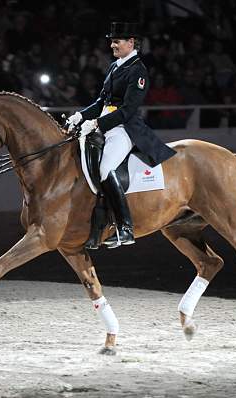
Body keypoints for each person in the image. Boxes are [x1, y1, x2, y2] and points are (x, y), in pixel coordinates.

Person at [67, 22, 176, 248]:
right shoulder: (116, 65)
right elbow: (101, 102)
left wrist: (97, 123)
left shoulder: (138, 70)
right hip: (105, 125)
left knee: (106, 169)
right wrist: (80, 116)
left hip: (124, 129)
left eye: (117, 41)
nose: (112, 44)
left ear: (131, 42)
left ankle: (125, 228)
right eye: (112, 40)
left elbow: (127, 110)